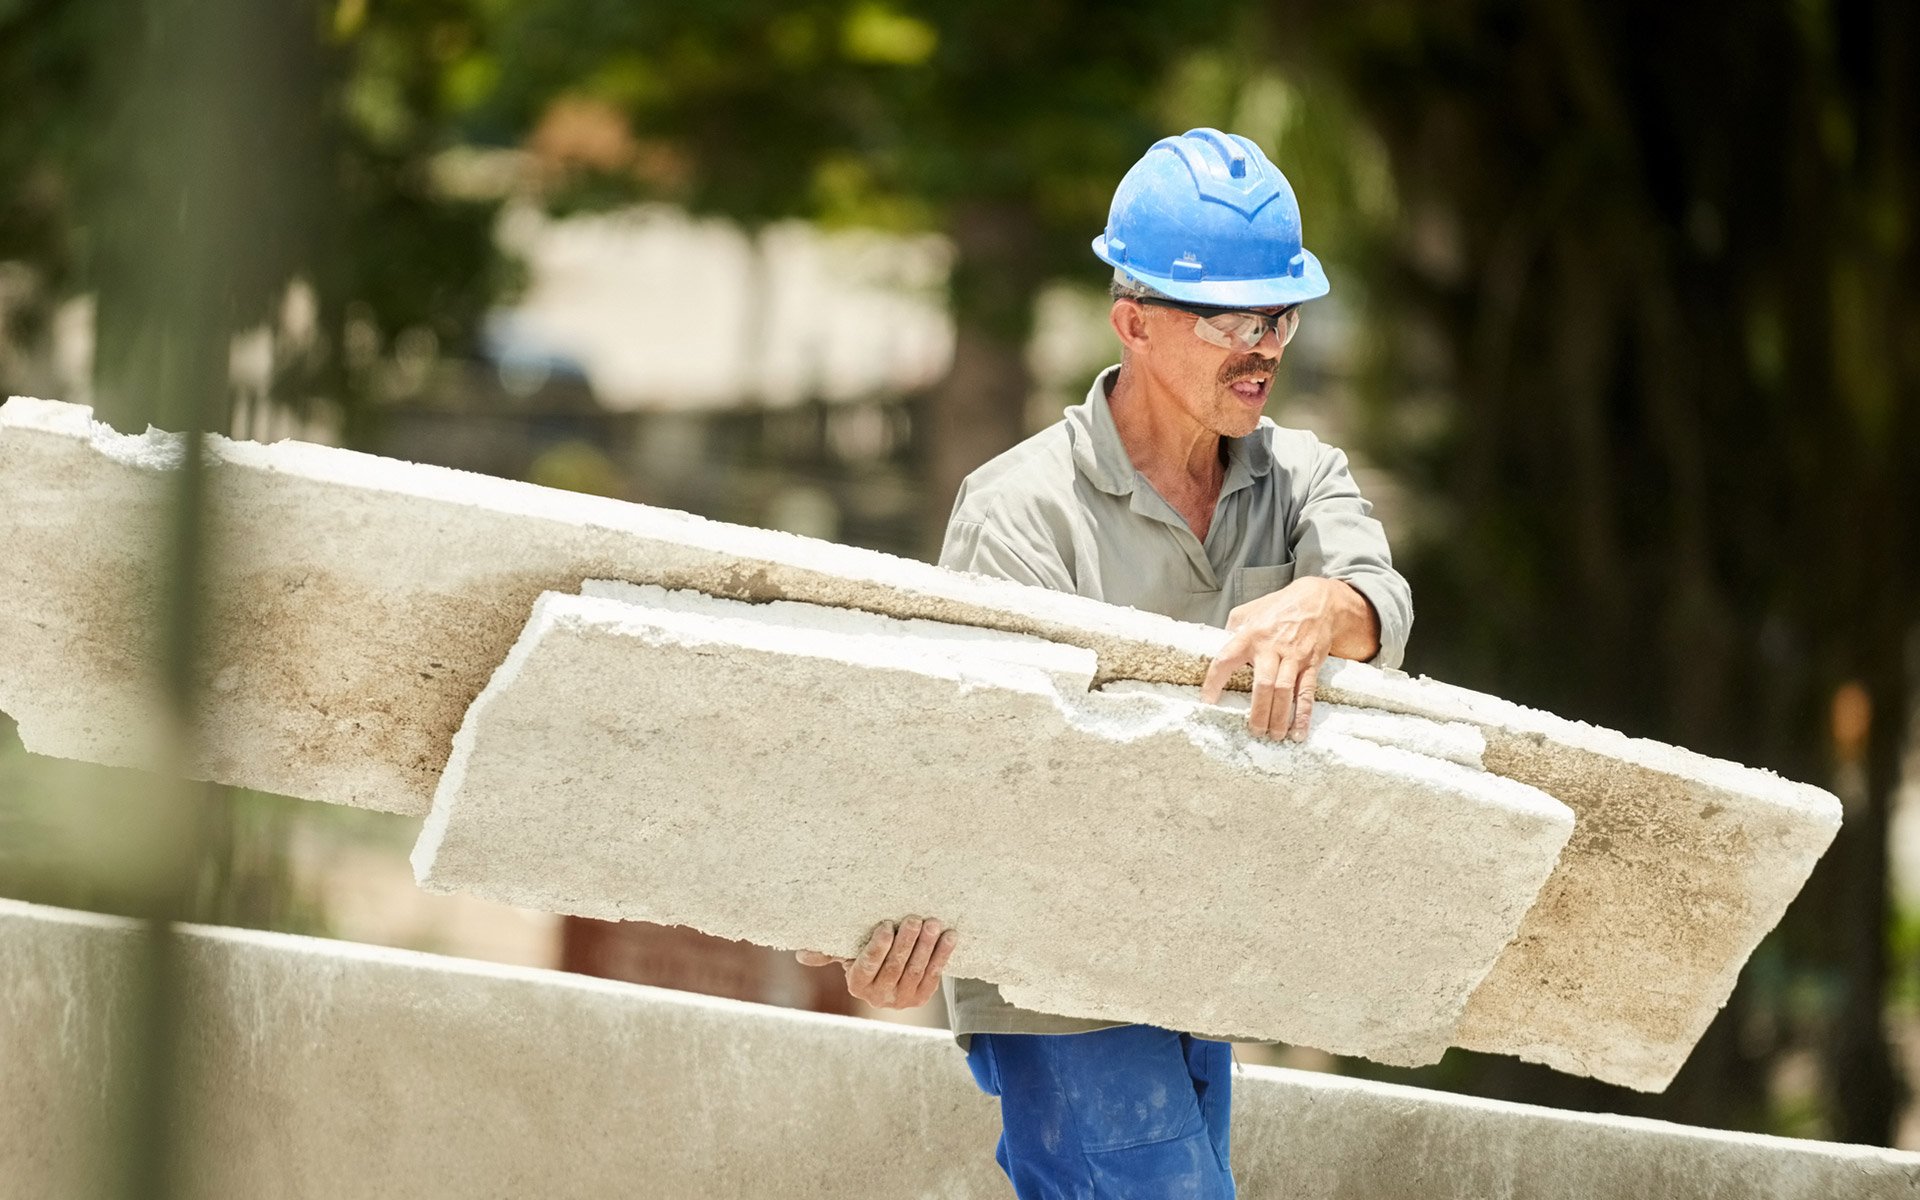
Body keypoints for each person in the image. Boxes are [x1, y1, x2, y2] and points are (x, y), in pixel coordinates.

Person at [798, 128, 1412, 1198]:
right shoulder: (1019, 512)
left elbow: (1380, 598)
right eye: (1231, 317)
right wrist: (873, 910)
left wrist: (1326, 604)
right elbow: (973, 752)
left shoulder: (1301, 477)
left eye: (1281, 315)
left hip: (1193, 949)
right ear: (1132, 320)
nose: (1263, 345)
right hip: (1053, 970)